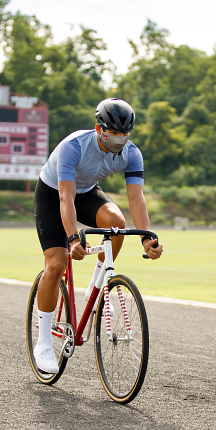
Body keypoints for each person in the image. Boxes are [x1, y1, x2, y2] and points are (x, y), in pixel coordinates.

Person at [32, 98, 164, 373]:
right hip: (54, 194)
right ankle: (43, 342)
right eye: (113, 134)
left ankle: (96, 289)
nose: (120, 139)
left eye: (125, 134)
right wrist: (72, 237)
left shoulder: (132, 153)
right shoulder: (74, 146)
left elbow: (136, 198)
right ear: (98, 129)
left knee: (117, 224)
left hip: (87, 192)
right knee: (56, 264)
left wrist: (147, 237)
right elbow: (65, 198)